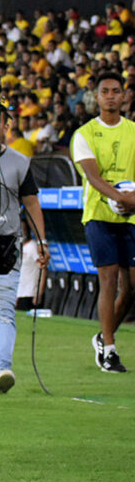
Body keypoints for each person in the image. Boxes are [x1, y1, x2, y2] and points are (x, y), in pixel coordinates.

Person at [0, 107, 49, 393]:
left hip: (4, 246)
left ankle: (0, 369)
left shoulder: (20, 162)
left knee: (4, 310)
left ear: (7, 125)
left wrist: (42, 242)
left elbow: (31, 203)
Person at [70, 70, 135, 373]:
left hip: (131, 216)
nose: (110, 96)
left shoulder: (133, 131)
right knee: (108, 279)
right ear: (96, 97)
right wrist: (121, 198)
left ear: (124, 96)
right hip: (99, 216)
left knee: (132, 286)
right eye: (105, 91)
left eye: (116, 91)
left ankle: (103, 335)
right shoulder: (83, 134)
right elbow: (93, 178)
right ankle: (109, 349)